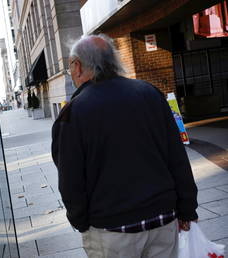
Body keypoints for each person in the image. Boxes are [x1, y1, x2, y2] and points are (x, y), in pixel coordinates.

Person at [51, 34, 198, 258]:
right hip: (162, 220)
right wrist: (187, 207)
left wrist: (81, 221)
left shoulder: (73, 112)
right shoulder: (150, 93)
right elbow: (176, 156)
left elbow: (70, 179)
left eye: (70, 66)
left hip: (112, 229)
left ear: (78, 66)